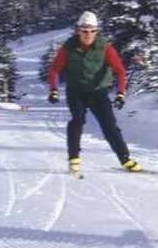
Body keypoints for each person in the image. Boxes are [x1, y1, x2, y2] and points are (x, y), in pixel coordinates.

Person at [47, 11, 142, 174]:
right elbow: (55, 68)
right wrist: (53, 90)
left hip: (98, 91)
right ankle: (73, 158)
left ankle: (125, 159)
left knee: (109, 126)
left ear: (96, 31)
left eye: (92, 31)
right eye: (84, 30)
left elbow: (119, 71)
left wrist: (120, 93)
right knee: (77, 120)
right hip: (76, 90)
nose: (88, 34)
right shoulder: (69, 47)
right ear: (79, 30)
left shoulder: (105, 47)